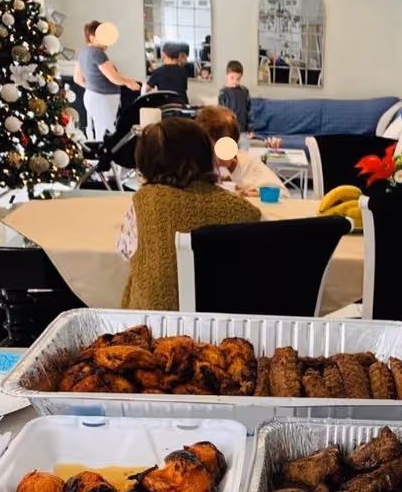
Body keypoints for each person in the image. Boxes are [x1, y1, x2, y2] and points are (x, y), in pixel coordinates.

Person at [118, 117, 261, 310]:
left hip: (154, 319)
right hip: (222, 319)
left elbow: (124, 250)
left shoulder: (145, 202)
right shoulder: (241, 209)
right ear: (207, 157)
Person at [196, 106, 288, 198]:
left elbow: (283, 195)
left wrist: (254, 195)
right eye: (210, 153)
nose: (217, 159)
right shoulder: (195, 167)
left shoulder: (250, 166)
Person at [74, 20, 140, 141]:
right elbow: (113, 77)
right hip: (103, 98)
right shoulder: (98, 53)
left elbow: (78, 79)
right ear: (92, 38)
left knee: (101, 129)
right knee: (107, 132)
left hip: (92, 96)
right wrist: (128, 82)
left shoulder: (82, 54)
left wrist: (92, 87)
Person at [218, 60, 254, 138]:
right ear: (227, 75)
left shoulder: (245, 91)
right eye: (232, 78)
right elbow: (221, 114)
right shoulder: (223, 93)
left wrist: (251, 129)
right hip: (228, 130)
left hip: (243, 131)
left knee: (244, 146)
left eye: (238, 79)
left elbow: (249, 111)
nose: (235, 81)